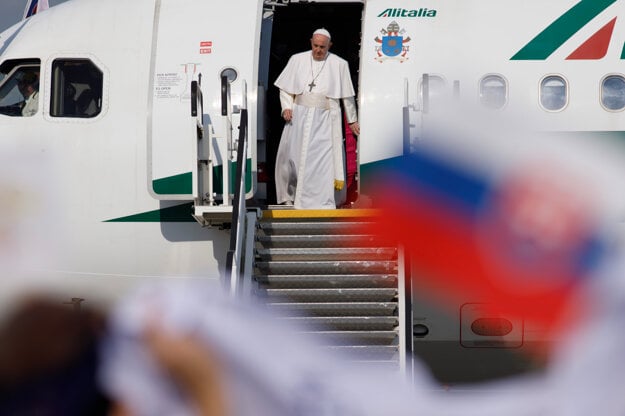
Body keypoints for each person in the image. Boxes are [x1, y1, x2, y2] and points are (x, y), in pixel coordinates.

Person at [274, 28, 360, 209]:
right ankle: (291, 196)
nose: (318, 50)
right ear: (310, 42)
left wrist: (352, 120)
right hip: (299, 116)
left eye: (322, 47)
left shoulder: (339, 64)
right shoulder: (297, 59)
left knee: (323, 161)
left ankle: (323, 200)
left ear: (330, 46)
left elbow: (347, 96)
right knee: (293, 157)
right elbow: (285, 88)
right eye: (315, 46)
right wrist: (286, 107)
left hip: (326, 119)